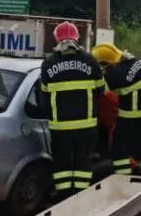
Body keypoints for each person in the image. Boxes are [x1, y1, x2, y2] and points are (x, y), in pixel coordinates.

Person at [39, 22, 104, 196]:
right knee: (84, 162)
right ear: (78, 39)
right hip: (86, 127)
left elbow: (43, 97)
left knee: (61, 164)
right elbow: (100, 91)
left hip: (60, 129)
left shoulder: (47, 64)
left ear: (56, 39)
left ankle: (63, 198)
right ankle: (81, 197)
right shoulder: (90, 61)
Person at [91, 42, 141, 177]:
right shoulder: (138, 62)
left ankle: (123, 178)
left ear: (105, 63)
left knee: (119, 148)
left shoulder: (113, 75)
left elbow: (98, 92)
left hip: (132, 115)